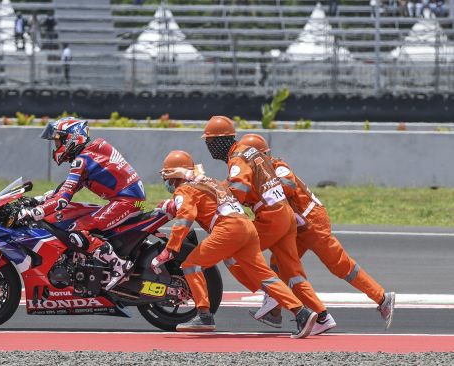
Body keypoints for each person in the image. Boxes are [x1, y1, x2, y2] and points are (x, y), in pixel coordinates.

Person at [150, 150, 318, 338]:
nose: (167, 183)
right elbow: (196, 203)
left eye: (168, 178)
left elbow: (185, 218)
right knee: (266, 277)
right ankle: (302, 312)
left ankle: (204, 315)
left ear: (175, 176)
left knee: (190, 266)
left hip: (227, 229)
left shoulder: (184, 189)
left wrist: (170, 250)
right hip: (247, 227)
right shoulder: (208, 181)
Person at [239, 133, 396, 330]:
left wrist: (264, 189)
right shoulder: (263, 174)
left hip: (311, 222)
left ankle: (381, 297)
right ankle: (275, 311)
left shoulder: (278, 167)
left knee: (340, 265)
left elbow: (287, 186)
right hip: (298, 224)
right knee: (280, 262)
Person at [201, 116, 335, 336]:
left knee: (232, 253)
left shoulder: (237, 158)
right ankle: (321, 316)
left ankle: (271, 292)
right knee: (292, 273)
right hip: (285, 217)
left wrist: (222, 203)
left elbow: (239, 189)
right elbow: (234, 185)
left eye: (209, 142)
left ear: (220, 141)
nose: (208, 147)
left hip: (271, 219)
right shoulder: (249, 156)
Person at [18, 117, 146, 290]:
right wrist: (38, 200)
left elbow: (62, 200)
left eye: (58, 141)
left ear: (71, 138)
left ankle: (119, 265)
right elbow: (66, 188)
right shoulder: (90, 153)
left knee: (77, 229)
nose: (56, 147)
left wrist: (34, 212)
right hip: (128, 200)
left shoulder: (82, 160)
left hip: (127, 202)